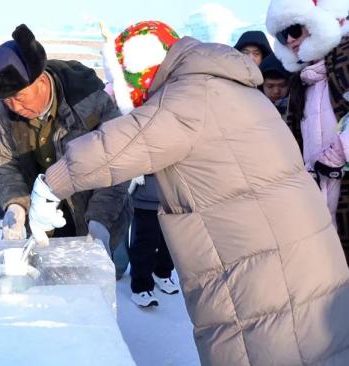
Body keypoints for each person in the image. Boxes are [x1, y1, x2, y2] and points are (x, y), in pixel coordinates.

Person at [28, 20, 349, 365]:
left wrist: (51, 183)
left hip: (262, 277)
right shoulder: (230, 86)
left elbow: (117, 145)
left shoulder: (188, 96)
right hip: (300, 261)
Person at [0, 24, 132, 254]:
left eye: (20, 97)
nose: (15, 107)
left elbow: (118, 161)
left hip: (100, 214)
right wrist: (16, 205)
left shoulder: (87, 97)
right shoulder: (8, 112)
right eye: (7, 101)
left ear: (41, 82)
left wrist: (99, 220)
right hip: (45, 225)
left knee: (102, 276)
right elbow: (8, 162)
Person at [100, 21, 178, 306]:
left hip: (173, 182)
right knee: (144, 239)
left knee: (171, 238)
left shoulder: (173, 93)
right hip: (143, 183)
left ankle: (163, 272)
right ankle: (140, 284)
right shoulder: (120, 98)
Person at [267, 0, 349, 236]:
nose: (290, 40)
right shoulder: (301, 82)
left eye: (295, 29)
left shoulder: (345, 59)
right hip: (319, 194)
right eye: (283, 35)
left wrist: (337, 154)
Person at [259, 53, 291, 118]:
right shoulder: (251, 107)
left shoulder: (299, 107)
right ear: (261, 86)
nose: (276, 91)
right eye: (270, 86)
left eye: (282, 85)